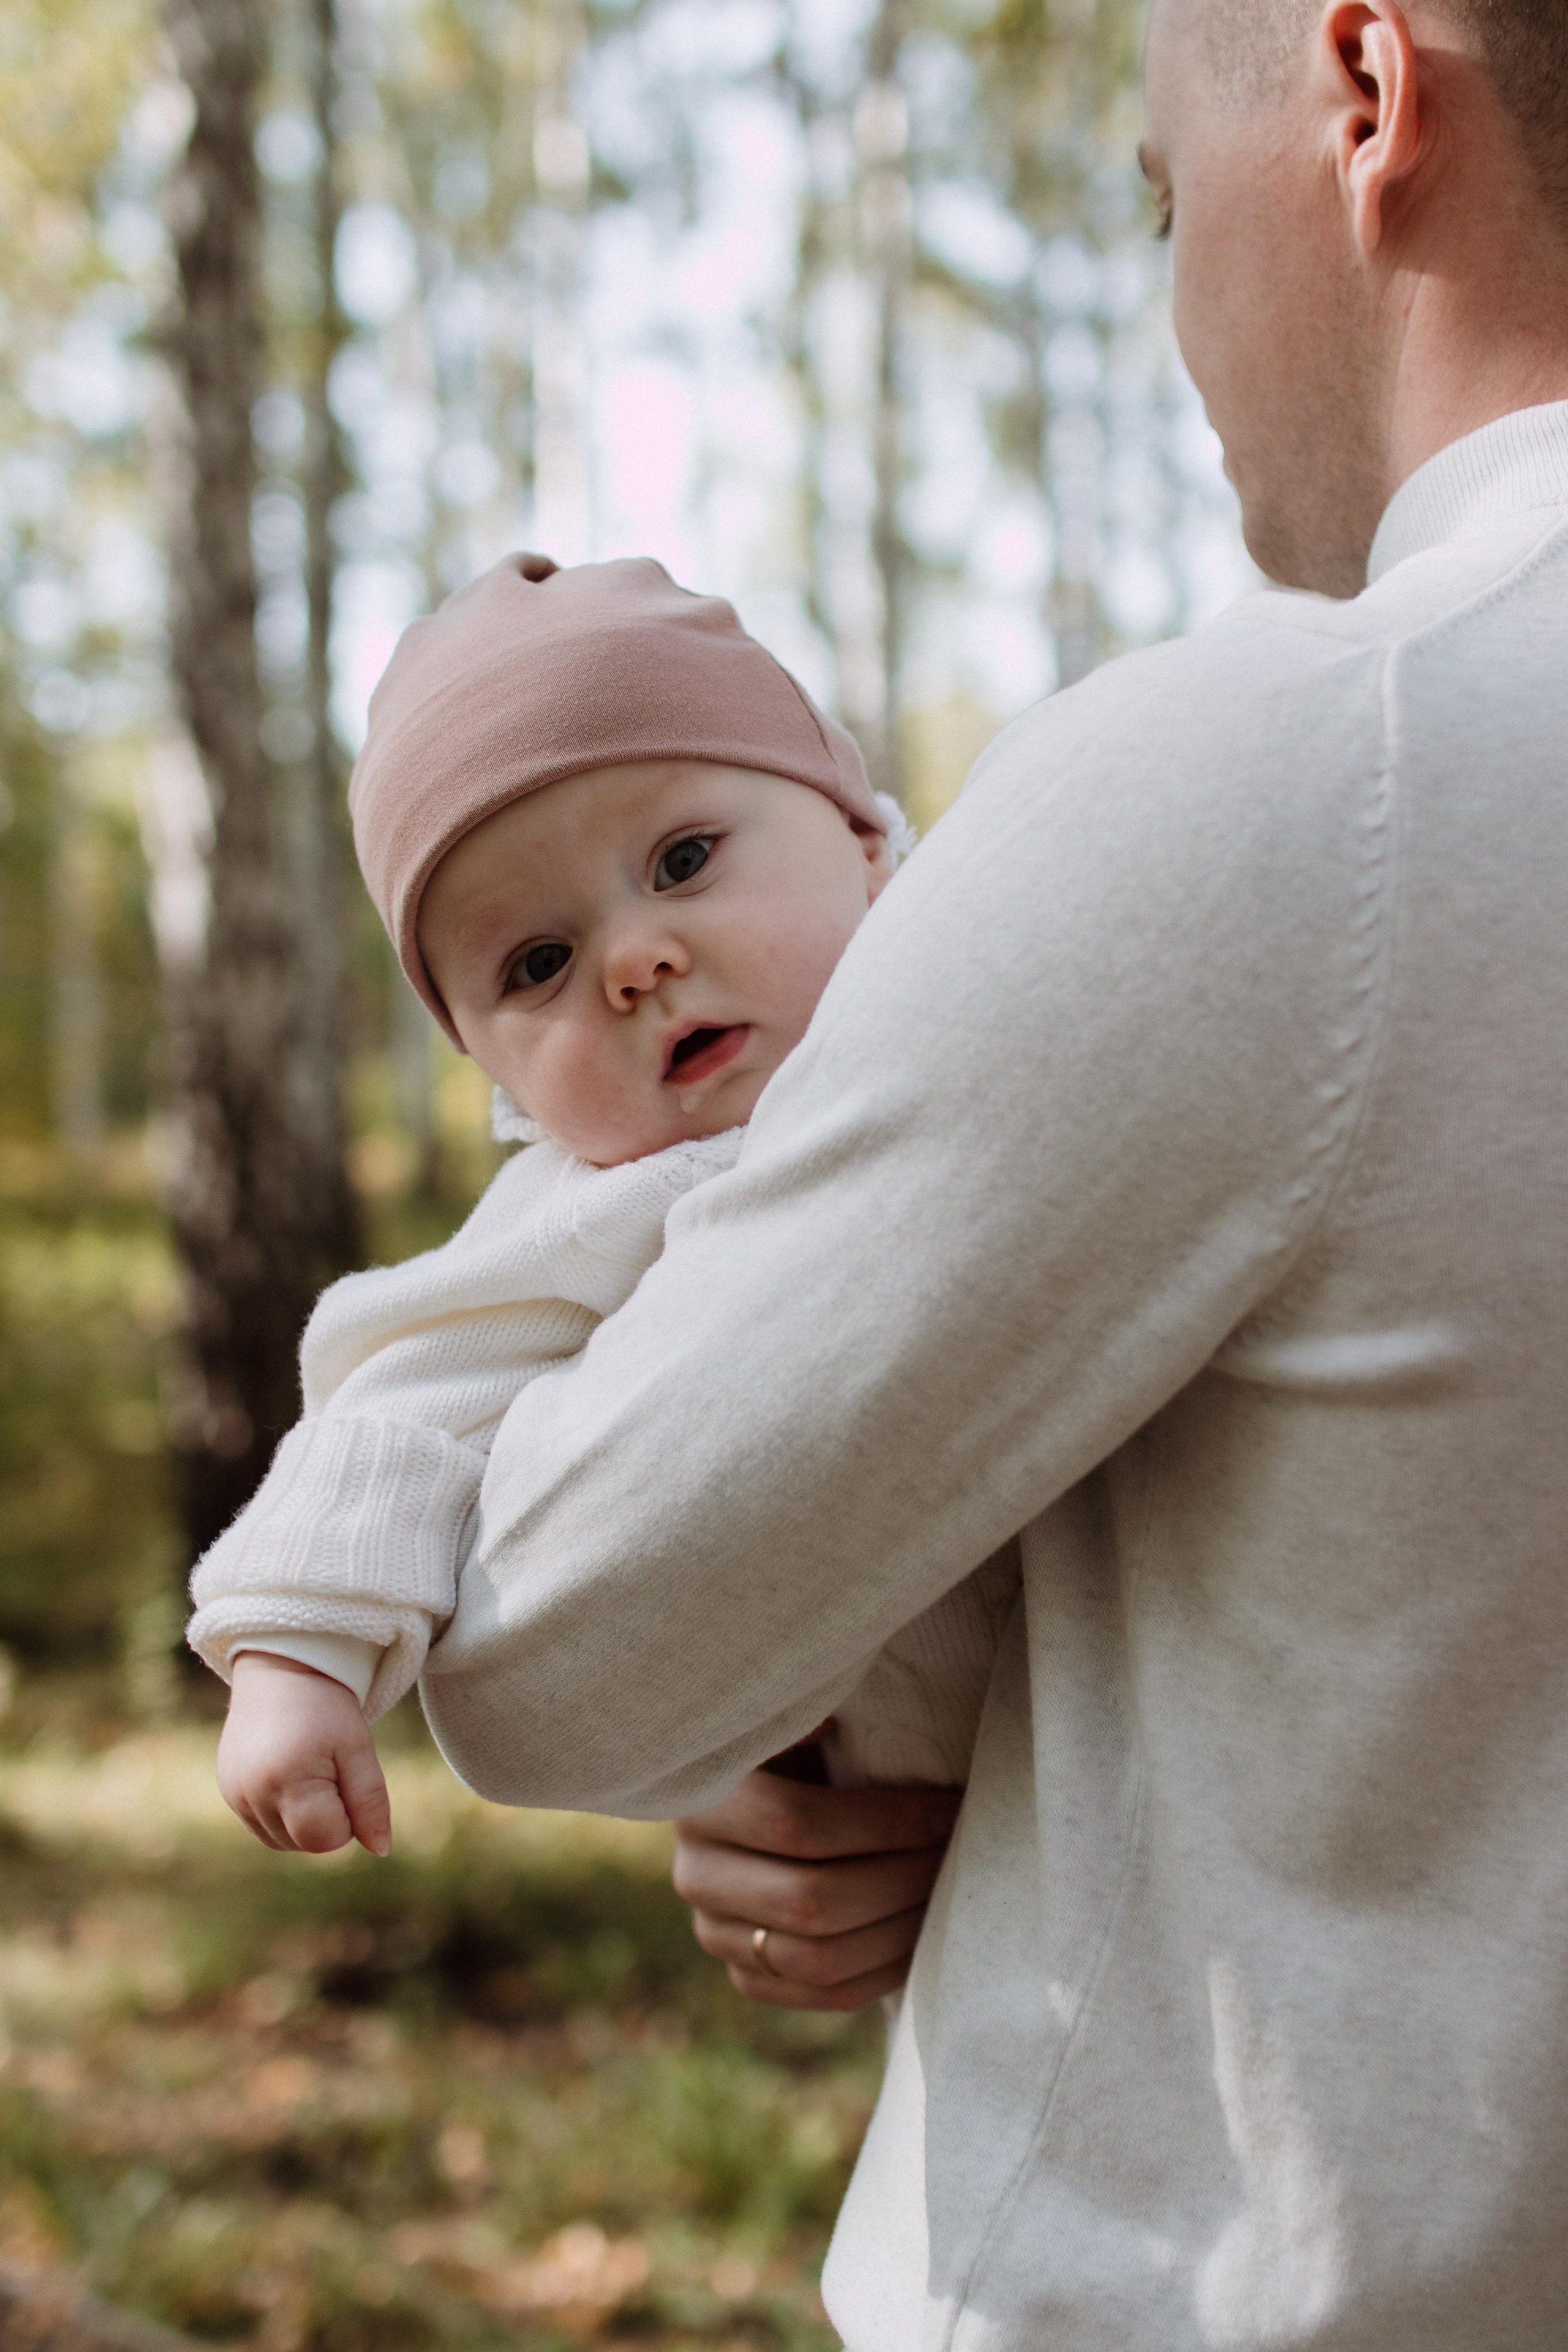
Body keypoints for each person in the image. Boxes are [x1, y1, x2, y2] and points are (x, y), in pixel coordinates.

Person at [379, 0, 1568, 2342]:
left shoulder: (1293, 769)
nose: (1171, 298)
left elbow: (549, 1647)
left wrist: (913, 1730)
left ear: (1363, 89)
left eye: (1152, 192)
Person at [189, 554, 1012, 1857]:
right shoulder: (584, 1214)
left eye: (683, 859)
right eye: (537, 963)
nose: (633, 963)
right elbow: (401, 1405)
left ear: (862, 840)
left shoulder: (1007, 1003)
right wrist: (295, 1656)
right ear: (490, 1069)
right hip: (917, 1832)